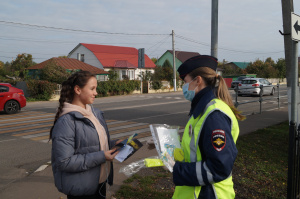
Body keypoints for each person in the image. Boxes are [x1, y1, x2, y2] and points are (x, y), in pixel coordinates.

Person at [172, 55, 245, 199]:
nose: (184, 87)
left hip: (210, 194)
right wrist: (165, 145)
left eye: (185, 82)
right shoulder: (201, 110)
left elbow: (219, 168)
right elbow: (194, 152)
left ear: (197, 81)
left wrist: (178, 170)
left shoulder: (214, 115)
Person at [50, 70, 121, 199]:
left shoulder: (95, 113)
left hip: (99, 183)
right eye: (92, 88)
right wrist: (101, 156)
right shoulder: (66, 122)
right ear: (78, 89)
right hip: (81, 188)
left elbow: (91, 144)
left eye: (96, 88)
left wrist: (113, 144)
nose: (96, 93)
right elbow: (65, 162)